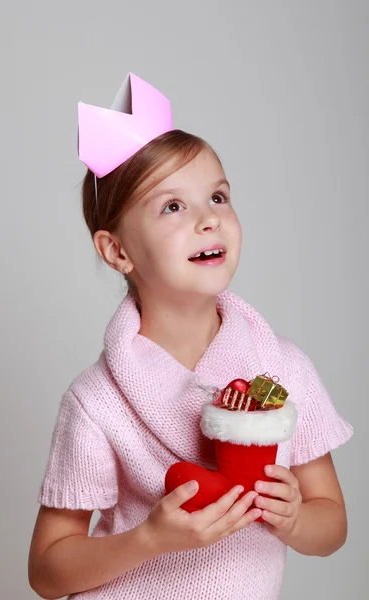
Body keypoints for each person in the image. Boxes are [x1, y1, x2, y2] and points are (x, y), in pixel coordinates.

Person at [28, 73, 354, 600]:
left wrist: (295, 519)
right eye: (173, 206)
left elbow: (331, 526)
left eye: (218, 197)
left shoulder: (284, 369)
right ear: (116, 252)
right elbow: (46, 570)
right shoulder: (97, 403)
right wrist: (151, 539)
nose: (208, 219)